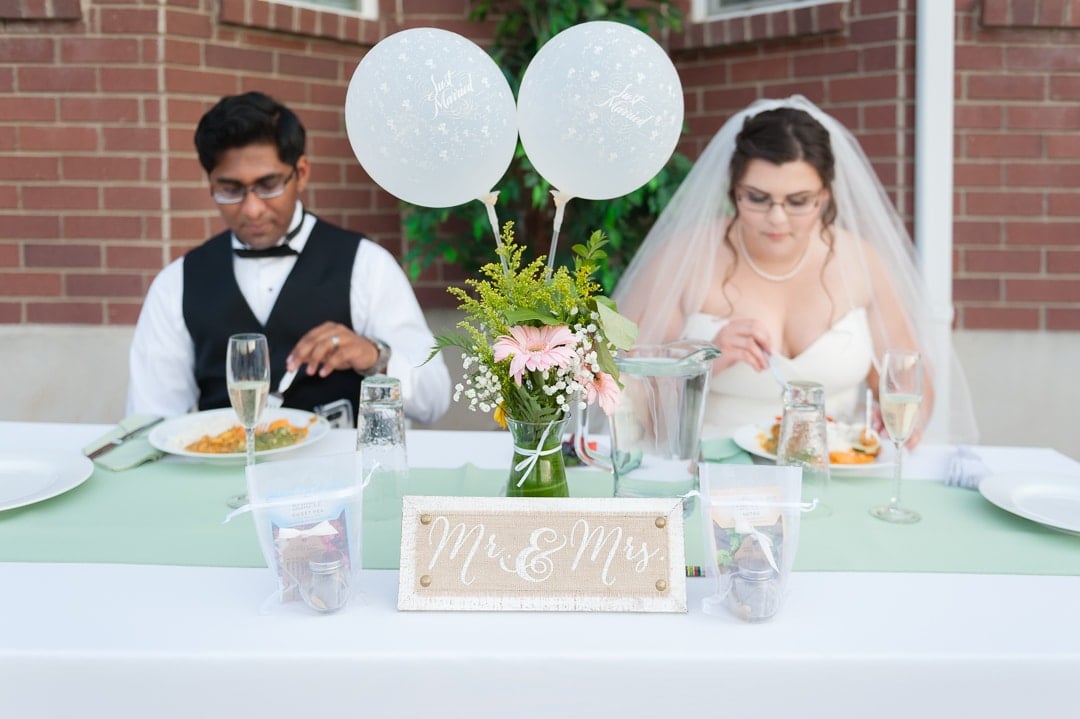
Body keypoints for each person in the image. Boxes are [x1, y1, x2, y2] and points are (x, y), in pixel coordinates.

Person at [614, 95, 977, 444]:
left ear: (826, 196)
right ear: (733, 189)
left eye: (799, 202)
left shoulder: (860, 261)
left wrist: (902, 418)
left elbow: (910, 376)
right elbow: (637, 411)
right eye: (757, 198)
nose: (777, 218)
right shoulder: (685, 258)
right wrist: (703, 360)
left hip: (833, 472)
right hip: (708, 471)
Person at [126, 91, 450, 425]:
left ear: (302, 172)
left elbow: (434, 401)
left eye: (268, 185)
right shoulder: (176, 283)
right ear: (210, 183)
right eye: (230, 189)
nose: (252, 208)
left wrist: (374, 357)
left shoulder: (368, 265)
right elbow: (150, 422)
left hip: (345, 472)